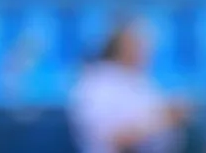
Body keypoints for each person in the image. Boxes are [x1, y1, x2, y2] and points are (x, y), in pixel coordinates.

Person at [68, 18, 193, 153]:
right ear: (120, 46)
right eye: (138, 45)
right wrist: (166, 119)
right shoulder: (94, 85)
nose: (146, 52)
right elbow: (116, 138)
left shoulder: (140, 81)